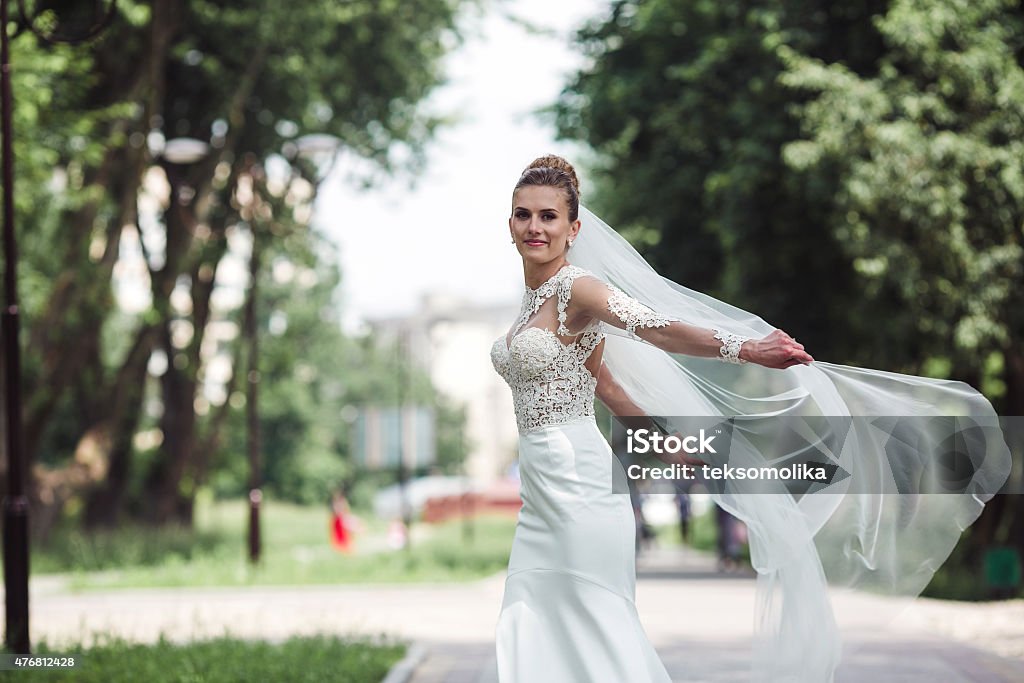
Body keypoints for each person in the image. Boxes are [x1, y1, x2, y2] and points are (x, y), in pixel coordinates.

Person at [490, 155, 1010, 682]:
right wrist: (664, 442)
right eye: (523, 214)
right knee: (532, 616)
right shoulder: (529, 304)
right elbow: (605, 385)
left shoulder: (577, 288)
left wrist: (748, 349)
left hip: (579, 489)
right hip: (540, 492)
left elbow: (660, 328)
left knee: (592, 623)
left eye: (549, 216)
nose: (535, 227)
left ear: (573, 228)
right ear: (509, 224)